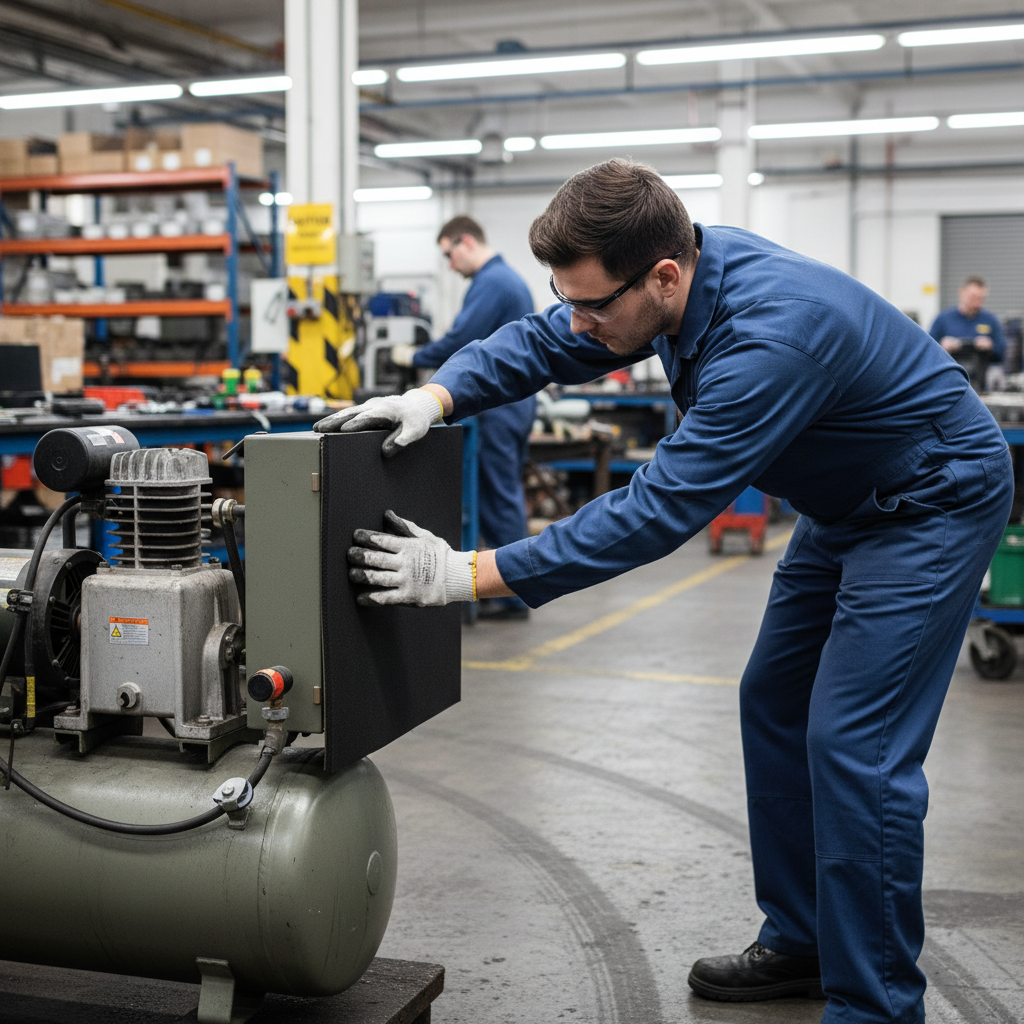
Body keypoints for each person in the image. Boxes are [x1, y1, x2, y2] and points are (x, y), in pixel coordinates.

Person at [317, 159, 1012, 1024]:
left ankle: (876, 1008)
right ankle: (803, 940)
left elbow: (658, 509)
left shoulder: (770, 337)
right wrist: (436, 392)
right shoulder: (660, 284)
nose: (580, 320)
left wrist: (466, 573)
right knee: (774, 702)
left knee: (855, 745)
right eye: (569, 296)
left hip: (929, 502)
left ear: (664, 277)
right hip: (846, 503)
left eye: (594, 304)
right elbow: (545, 340)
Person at [390, 214, 537, 620]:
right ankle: (512, 588)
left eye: (448, 255)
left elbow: (462, 340)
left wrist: (414, 356)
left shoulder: (493, 283)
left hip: (500, 408)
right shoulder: (503, 280)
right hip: (513, 404)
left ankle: (511, 595)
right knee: (502, 495)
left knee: (497, 497)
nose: (450, 266)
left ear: (465, 241)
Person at [929, 274, 1005, 360]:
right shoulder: (943, 319)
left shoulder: (991, 320)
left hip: (980, 369)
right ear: (961, 292)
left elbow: (1002, 353)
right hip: (951, 368)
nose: (976, 303)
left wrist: (990, 346)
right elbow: (928, 350)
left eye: (981, 299)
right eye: (973, 297)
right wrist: (942, 346)